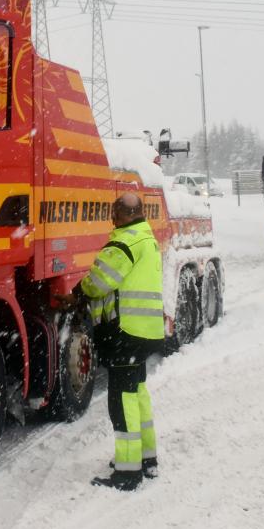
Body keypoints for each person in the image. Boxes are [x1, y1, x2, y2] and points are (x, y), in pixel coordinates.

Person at [76, 192, 165, 491]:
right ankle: (147, 458)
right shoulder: (147, 239)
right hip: (146, 332)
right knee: (138, 393)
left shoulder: (124, 243)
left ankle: (127, 473)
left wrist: (77, 293)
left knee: (121, 400)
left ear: (125, 214)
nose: (112, 219)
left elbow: (97, 283)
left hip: (124, 333)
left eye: (114, 213)